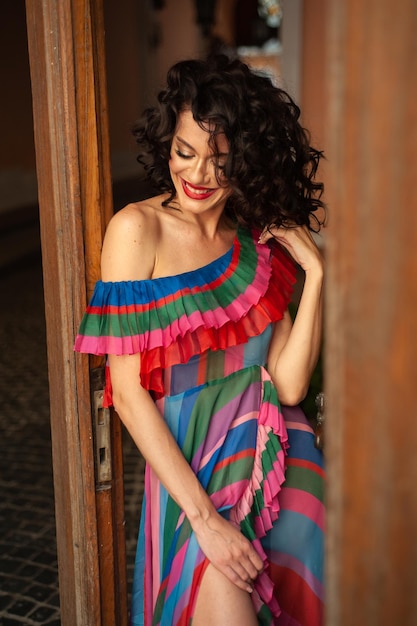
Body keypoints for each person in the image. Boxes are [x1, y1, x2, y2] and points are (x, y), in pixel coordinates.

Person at [75, 55, 325, 626]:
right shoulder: (138, 231)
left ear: (247, 162)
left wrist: (315, 276)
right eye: (185, 152)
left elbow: (287, 385)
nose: (199, 175)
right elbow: (128, 392)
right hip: (195, 482)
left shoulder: (252, 241)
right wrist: (206, 520)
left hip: (280, 467)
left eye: (220, 160)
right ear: (168, 143)